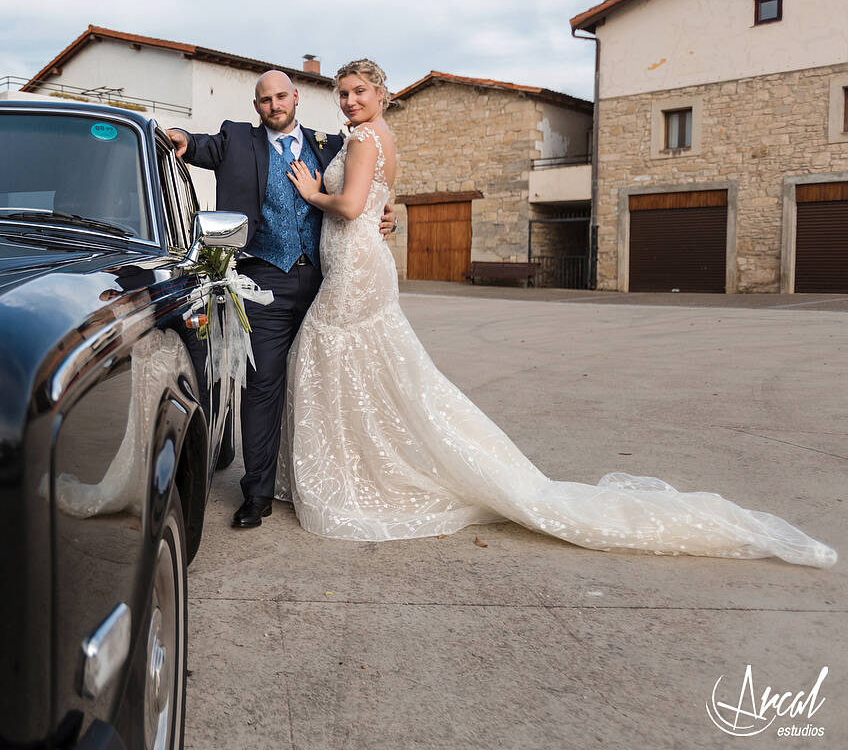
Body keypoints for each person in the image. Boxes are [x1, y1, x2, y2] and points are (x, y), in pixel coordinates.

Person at [276, 58, 836, 568]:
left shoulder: (367, 139)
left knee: (331, 353)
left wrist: (310, 192)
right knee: (365, 364)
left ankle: (357, 471)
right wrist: (375, 213)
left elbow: (350, 206)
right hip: (362, 261)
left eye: (358, 92)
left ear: (380, 93)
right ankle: (362, 460)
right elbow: (383, 206)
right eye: (342, 93)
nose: (349, 101)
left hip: (355, 267)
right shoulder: (380, 138)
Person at [166, 70, 395, 529]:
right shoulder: (236, 140)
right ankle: (258, 492)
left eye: (281, 96)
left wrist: (387, 219)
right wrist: (176, 137)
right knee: (263, 385)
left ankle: (322, 481)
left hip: (327, 280)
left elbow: (366, 193)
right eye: (264, 100)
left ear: (296, 98)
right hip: (264, 279)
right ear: (257, 106)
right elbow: (196, 144)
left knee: (323, 382)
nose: (274, 105)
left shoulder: (331, 144)